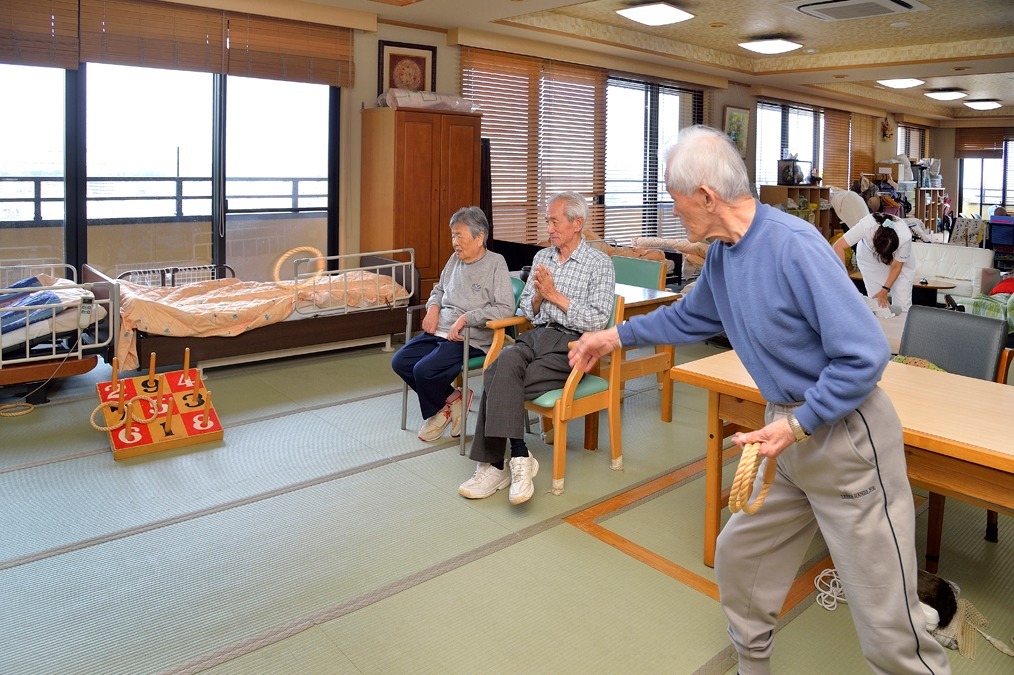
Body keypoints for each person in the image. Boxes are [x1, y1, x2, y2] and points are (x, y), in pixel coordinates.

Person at [568, 126, 950, 675]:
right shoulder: (725, 253)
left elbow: (865, 355)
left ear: (705, 195)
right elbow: (694, 314)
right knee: (740, 556)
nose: (674, 214)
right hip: (783, 436)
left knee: (888, 623)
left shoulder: (794, 245)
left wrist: (799, 425)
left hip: (844, 437)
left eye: (676, 201)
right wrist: (614, 336)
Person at [457, 191, 615, 505]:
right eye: (548, 222)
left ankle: (496, 465)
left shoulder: (599, 264)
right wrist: (540, 297)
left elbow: (598, 321)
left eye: (555, 222)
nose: (550, 228)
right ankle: (518, 457)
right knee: (502, 363)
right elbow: (528, 313)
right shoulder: (542, 258)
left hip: (574, 345)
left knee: (496, 376)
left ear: (577, 223)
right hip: (537, 336)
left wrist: (554, 295)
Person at [391, 206, 515, 442]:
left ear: (480, 237)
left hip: (469, 336)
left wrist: (467, 318)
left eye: (460, 236)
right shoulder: (455, 260)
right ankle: (452, 402)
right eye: (453, 236)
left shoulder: (496, 263)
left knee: (424, 370)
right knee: (401, 362)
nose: (454, 242)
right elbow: (439, 289)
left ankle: (441, 411)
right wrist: (433, 308)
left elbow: (504, 309)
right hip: (441, 329)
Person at [832, 200, 916, 313]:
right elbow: (838, 246)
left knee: (903, 306)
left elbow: (896, 266)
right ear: (874, 237)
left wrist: (885, 289)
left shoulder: (905, 237)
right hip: (869, 260)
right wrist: (843, 279)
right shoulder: (867, 225)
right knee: (878, 305)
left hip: (899, 264)